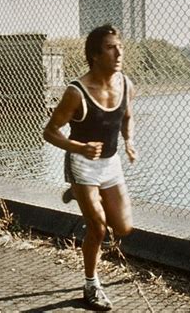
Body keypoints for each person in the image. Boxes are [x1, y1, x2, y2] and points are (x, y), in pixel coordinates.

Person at [43, 24, 136, 311]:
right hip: (82, 163)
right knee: (98, 229)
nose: (119, 52)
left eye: (120, 46)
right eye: (111, 47)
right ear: (95, 55)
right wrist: (79, 148)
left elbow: (127, 117)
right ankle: (90, 285)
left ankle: (80, 193)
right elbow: (50, 132)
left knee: (123, 227)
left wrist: (129, 140)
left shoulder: (126, 84)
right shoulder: (77, 92)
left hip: (111, 164)